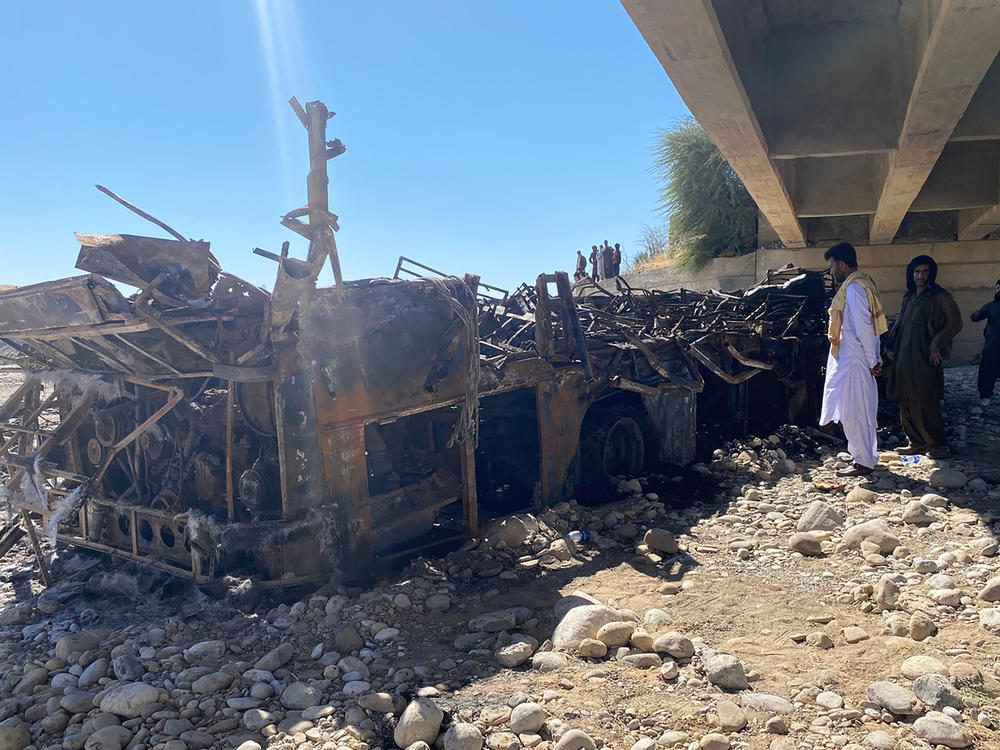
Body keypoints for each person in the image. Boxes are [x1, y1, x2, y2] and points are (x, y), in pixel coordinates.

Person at [819, 242, 888, 477]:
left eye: (831, 266)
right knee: (856, 410)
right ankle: (864, 457)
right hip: (855, 359)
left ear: (842, 264)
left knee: (855, 411)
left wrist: (872, 360)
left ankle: (863, 461)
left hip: (855, 361)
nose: (831, 272)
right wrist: (874, 357)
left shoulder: (855, 289)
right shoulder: (858, 284)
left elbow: (864, 329)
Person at [885, 254, 963, 458]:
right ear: (911, 274)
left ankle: (938, 444)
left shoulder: (940, 296)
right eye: (917, 272)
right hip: (903, 355)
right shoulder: (908, 297)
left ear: (931, 273)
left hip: (924, 357)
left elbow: (955, 323)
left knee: (925, 399)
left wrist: (936, 344)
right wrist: (889, 347)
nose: (920, 276)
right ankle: (916, 442)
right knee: (906, 398)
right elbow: (899, 325)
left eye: (925, 271)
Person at [971, 278, 1000, 406]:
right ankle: (985, 395)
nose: (999, 290)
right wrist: (975, 315)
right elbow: (976, 317)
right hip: (992, 344)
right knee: (988, 369)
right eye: (997, 288)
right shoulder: (991, 306)